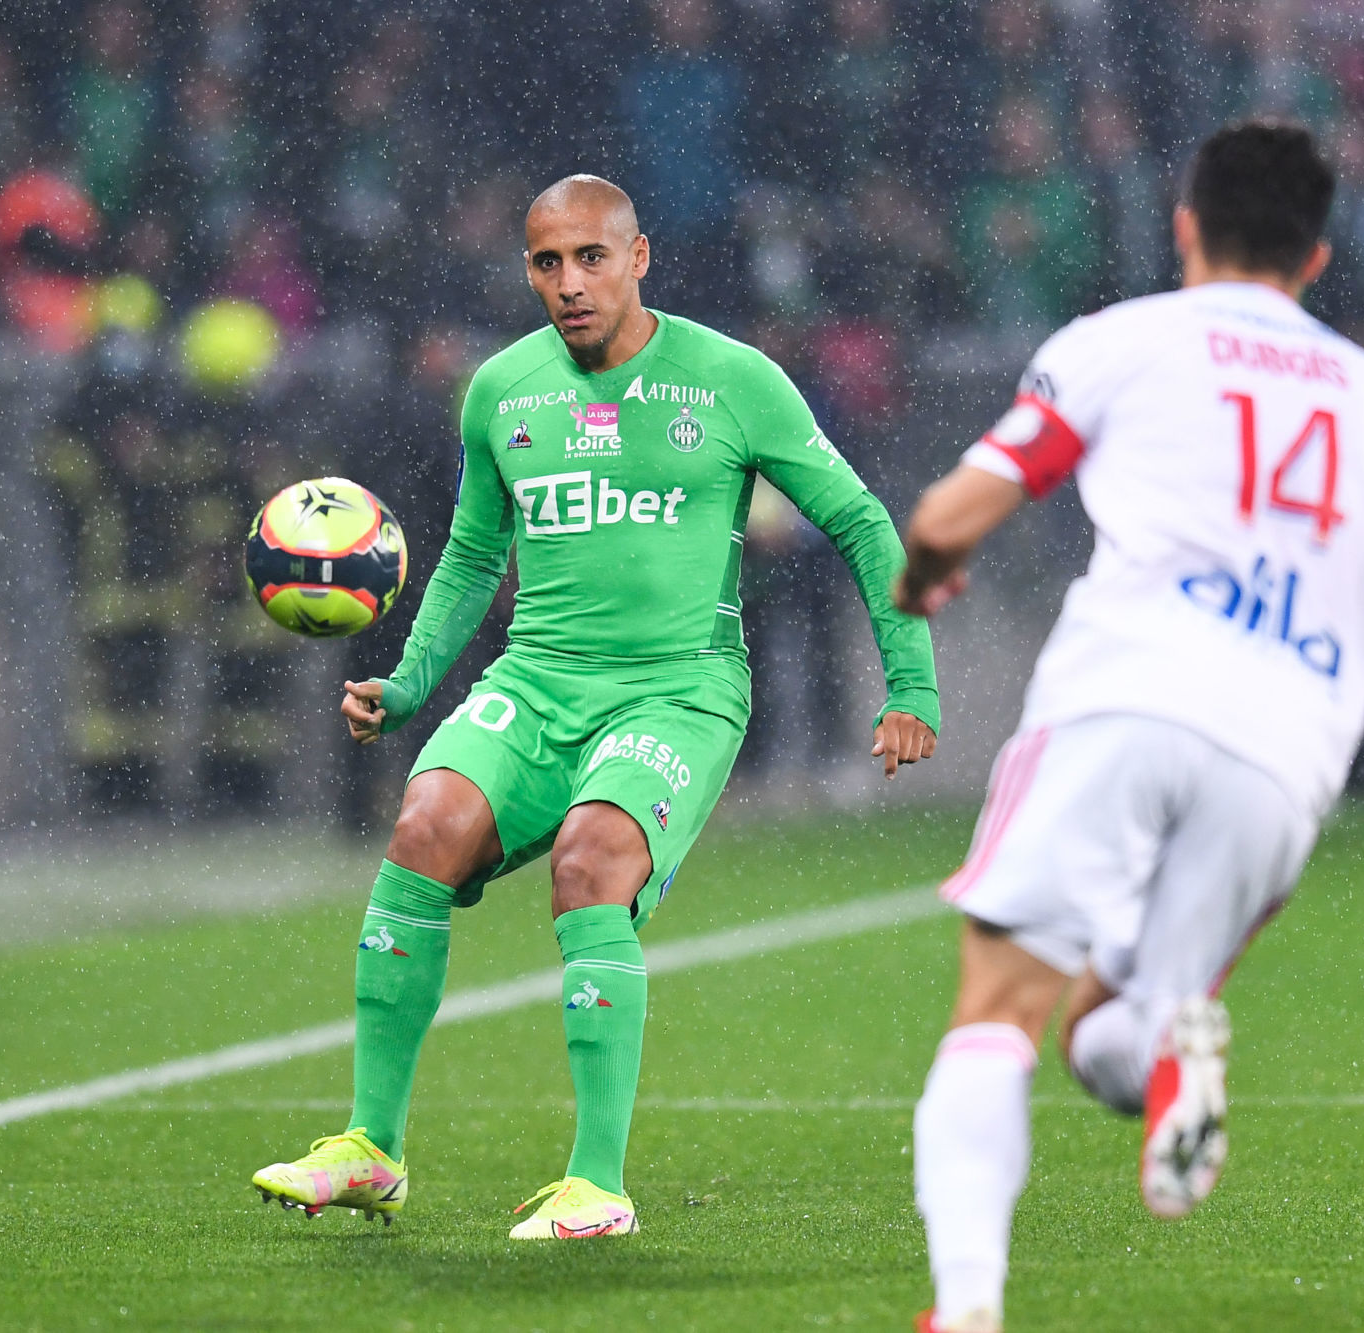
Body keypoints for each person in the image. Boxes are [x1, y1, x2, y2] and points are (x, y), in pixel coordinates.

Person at [892, 121, 1364, 1333]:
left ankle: (966, 1309)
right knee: (1107, 1036)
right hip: (1285, 757)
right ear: (1320, 255)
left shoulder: (1117, 343)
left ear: (1184, 225)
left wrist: (926, 567)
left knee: (998, 1010)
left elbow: (958, 504)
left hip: (1122, 699)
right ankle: (1175, 1040)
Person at [252, 175, 940, 1238]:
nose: (567, 284)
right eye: (545, 263)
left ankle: (596, 1183)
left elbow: (859, 521)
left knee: (591, 858)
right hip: (534, 680)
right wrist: (408, 686)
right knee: (423, 824)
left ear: (637, 258)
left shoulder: (730, 379)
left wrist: (911, 684)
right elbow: (475, 553)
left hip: (678, 689)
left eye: (588, 258)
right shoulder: (497, 391)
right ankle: (371, 1149)